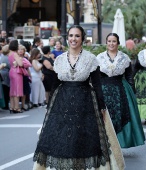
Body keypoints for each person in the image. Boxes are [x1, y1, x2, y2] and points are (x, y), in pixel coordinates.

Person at [33, 25, 125, 170]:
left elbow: (97, 85)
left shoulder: (91, 59)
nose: (73, 39)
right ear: (67, 38)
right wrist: (49, 106)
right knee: (63, 138)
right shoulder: (59, 59)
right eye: (70, 36)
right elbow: (55, 85)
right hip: (62, 103)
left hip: (85, 103)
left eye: (77, 36)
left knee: (82, 139)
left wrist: (101, 107)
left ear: (82, 39)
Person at [96, 33, 145, 148]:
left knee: (121, 115)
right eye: (109, 41)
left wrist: (132, 92)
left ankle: (119, 143)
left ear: (118, 43)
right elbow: (95, 77)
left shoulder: (124, 58)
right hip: (104, 89)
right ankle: (104, 143)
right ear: (106, 43)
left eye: (114, 41)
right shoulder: (99, 57)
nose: (111, 43)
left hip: (121, 89)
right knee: (104, 116)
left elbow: (129, 76)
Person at [8, 40, 23, 113]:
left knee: (12, 89)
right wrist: (20, 59)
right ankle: (17, 107)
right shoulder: (15, 54)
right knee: (17, 89)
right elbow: (20, 64)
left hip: (11, 71)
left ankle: (12, 106)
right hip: (16, 72)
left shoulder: (10, 53)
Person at [0, 45, 10, 110]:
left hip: (3, 74)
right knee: (5, 90)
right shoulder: (6, 57)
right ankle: (5, 105)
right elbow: (10, 65)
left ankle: (5, 104)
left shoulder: (3, 57)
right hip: (5, 75)